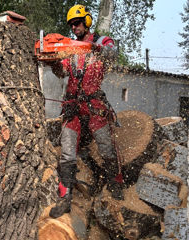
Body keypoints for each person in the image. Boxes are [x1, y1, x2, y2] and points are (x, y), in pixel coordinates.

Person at [49, 4, 123, 219]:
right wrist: (54, 63)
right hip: (72, 105)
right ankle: (65, 198)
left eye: (78, 22)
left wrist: (97, 49)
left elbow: (113, 54)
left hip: (94, 105)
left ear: (87, 21)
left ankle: (115, 184)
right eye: (72, 24)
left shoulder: (101, 40)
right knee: (67, 153)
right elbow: (62, 71)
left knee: (106, 147)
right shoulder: (69, 47)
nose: (75, 27)